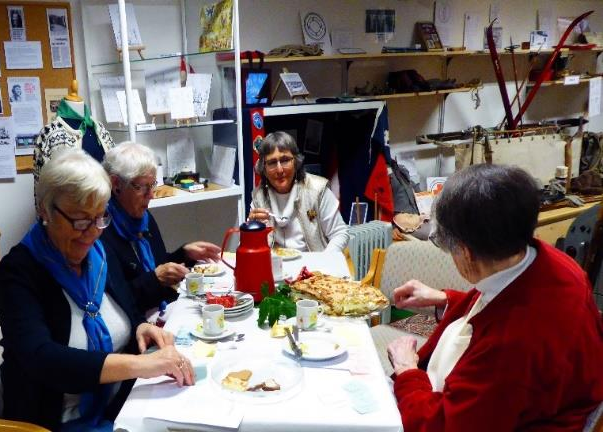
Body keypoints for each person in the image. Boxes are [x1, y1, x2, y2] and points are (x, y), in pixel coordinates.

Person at [386, 164, 603, 431]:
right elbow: (498, 301)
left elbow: (441, 426)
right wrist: (445, 298)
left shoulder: (513, 345)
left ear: (466, 253)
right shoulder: (545, 259)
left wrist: (407, 371)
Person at [0, 149, 194, 431]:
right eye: (79, 221)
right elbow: (43, 359)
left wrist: (140, 327)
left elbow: (127, 305)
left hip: (119, 405)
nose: (91, 232)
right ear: (45, 211)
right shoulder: (19, 272)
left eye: (100, 218)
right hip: (57, 421)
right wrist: (141, 366)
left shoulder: (97, 252)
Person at [101, 142, 221, 313]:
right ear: (116, 184)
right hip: (136, 323)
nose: (151, 195)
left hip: (161, 309)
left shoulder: (143, 218)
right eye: (142, 187)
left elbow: (158, 264)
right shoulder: (102, 230)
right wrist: (155, 279)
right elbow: (117, 301)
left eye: (153, 185)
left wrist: (185, 254)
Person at [248, 131, 348, 252]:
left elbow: (340, 233)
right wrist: (250, 228)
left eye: (285, 160)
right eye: (272, 163)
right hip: (274, 265)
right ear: (264, 168)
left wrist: (324, 261)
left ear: (295, 162)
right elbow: (249, 246)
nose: (279, 170)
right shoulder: (259, 196)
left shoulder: (317, 190)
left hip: (312, 265)